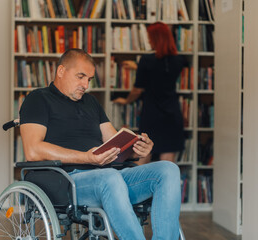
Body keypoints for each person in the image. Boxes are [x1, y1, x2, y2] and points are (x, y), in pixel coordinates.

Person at [19, 48, 181, 240]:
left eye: (89, 79)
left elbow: (114, 143)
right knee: (109, 177)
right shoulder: (37, 99)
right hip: (68, 181)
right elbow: (33, 150)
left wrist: (137, 150)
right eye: (80, 76)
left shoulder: (91, 103)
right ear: (61, 71)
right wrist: (86, 157)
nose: (85, 84)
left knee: (168, 170)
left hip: (111, 176)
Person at [114, 22, 186, 162]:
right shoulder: (178, 60)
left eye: (149, 37)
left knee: (143, 156)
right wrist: (138, 67)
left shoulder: (146, 60)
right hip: (172, 114)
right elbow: (161, 73)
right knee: (167, 162)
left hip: (152, 114)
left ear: (155, 38)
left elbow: (137, 89)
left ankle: (139, 184)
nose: (148, 40)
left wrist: (126, 101)